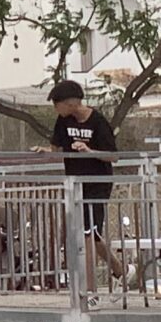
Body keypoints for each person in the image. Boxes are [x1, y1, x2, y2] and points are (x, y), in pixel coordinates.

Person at [45, 79, 120, 282]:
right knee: (90, 236)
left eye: (57, 104)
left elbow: (113, 156)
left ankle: (88, 288)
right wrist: (45, 151)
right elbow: (55, 147)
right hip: (75, 184)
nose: (55, 109)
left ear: (70, 103)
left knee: (88, 234)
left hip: (97, 183)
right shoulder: (63, 121)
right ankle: (121, 271)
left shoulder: (98, 122)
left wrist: (89, 151)